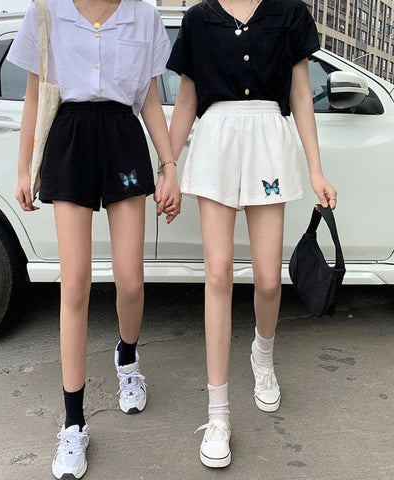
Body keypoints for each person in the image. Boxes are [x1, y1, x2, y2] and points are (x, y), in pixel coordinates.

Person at [7, 0, 181, 478]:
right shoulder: (46, 10)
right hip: (69, 139)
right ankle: (73, 422)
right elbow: (35, 95)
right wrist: (24, 167)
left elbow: (149, 99)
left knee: (131, 279)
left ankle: (127, 356)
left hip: (123, 138)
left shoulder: (143, 16)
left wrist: (168, 165)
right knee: (75, 284)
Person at [166, 0, 337, 468]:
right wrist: (168, 165)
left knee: (267, 279)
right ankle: (217, 415)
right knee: (218, 274)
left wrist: (316, 169)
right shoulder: (199, 18)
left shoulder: (289, 13)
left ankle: (263, 353)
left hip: (268, 139)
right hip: (216, 140)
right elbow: (187, 99)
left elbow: (300, 94)